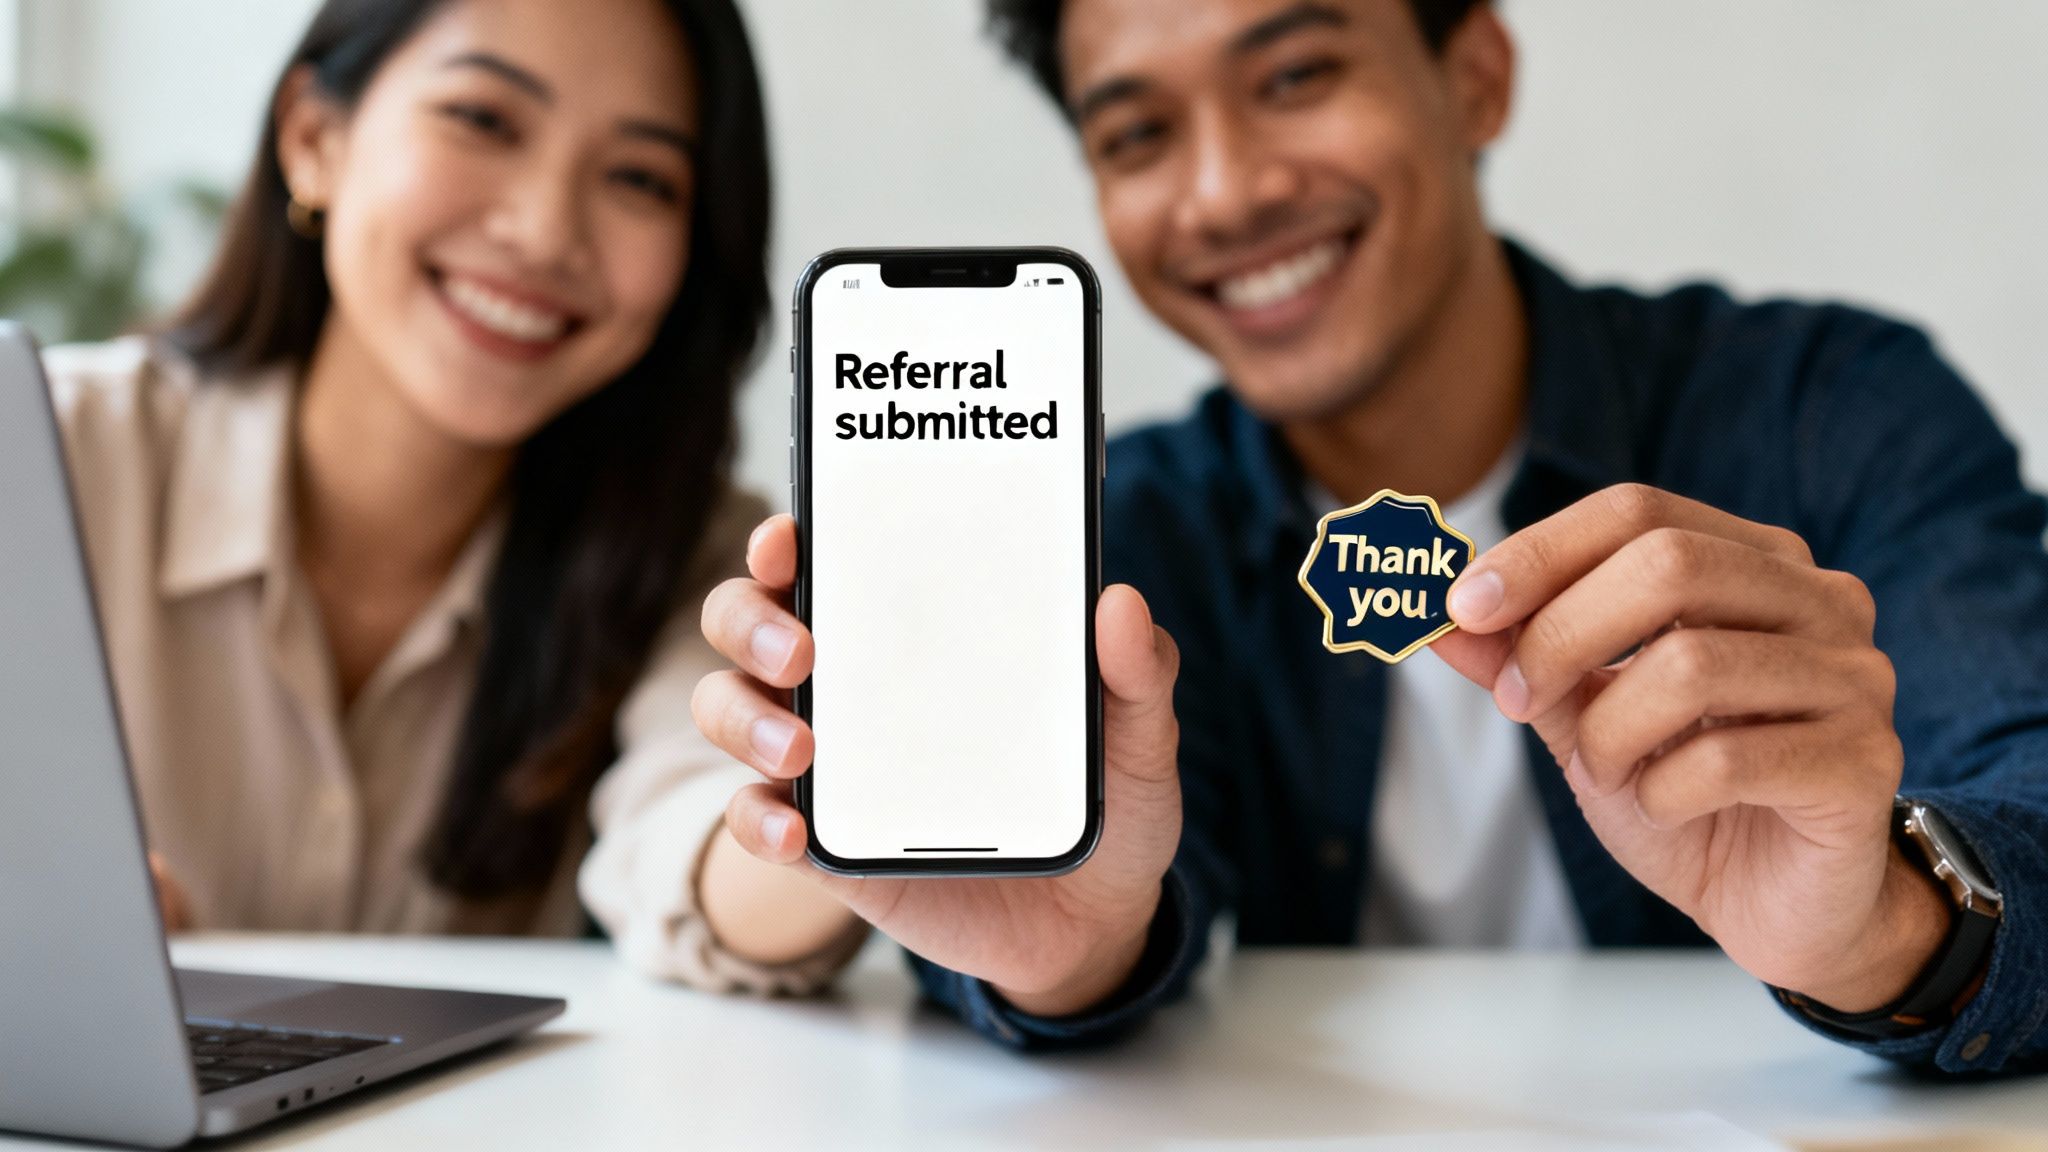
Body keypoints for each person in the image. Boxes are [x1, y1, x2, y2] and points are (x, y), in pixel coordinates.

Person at [690, 0, 2048, 1075]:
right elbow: (1132, 899)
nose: (1223, 192)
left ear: (1477, 76)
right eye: (1138, 135)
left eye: (1293, 76)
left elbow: (2029, 783)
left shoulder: (1831, 416)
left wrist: (1879, 927)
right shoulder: (1126, 529)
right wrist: (1063, 958)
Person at [55, 0, 866, 988]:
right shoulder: (54, 455)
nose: (542, 230)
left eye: (639, 178)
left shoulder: (698, 561)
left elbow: (697, 838)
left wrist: (853, 797)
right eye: (484, 120)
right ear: (314, 139)